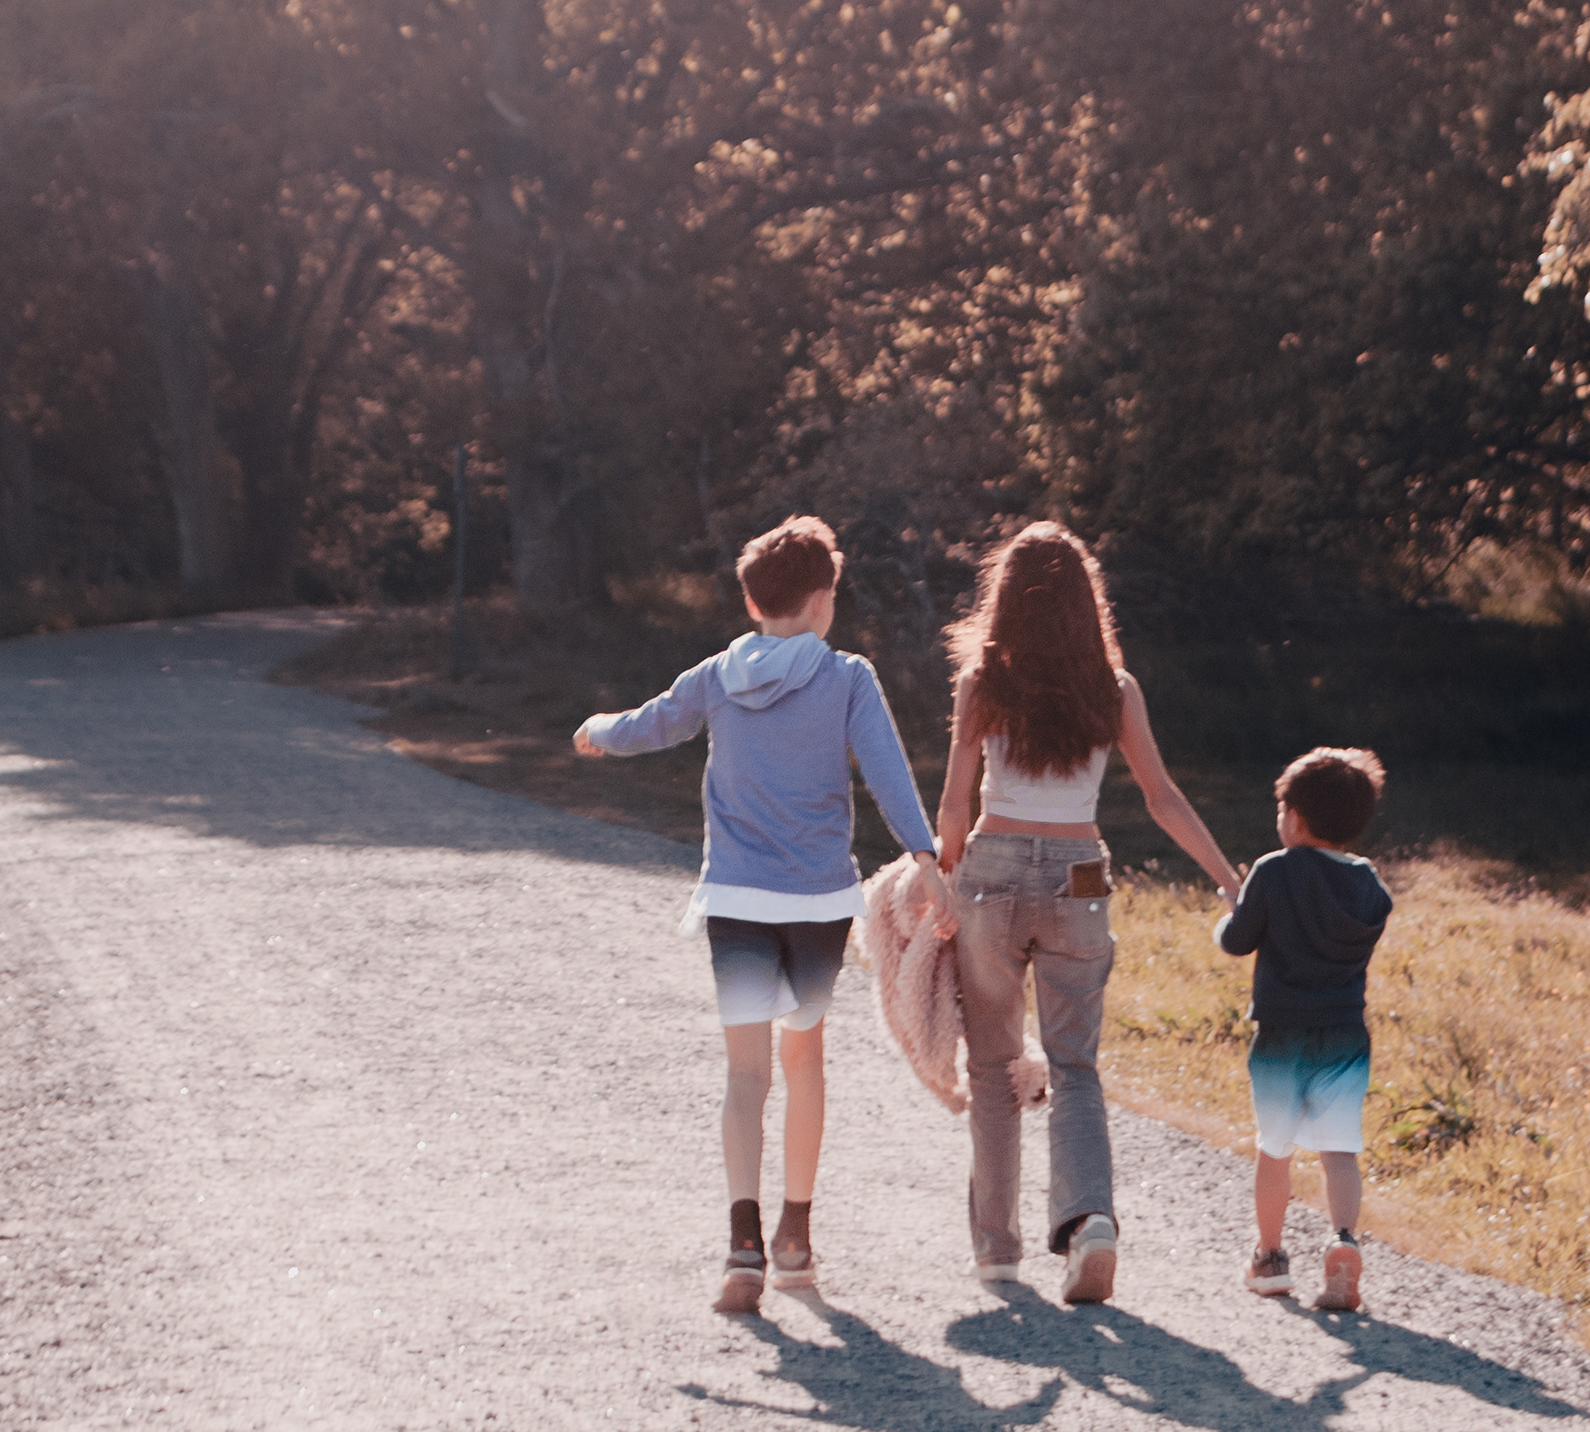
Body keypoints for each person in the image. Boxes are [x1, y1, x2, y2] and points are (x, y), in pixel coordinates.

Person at [577, 515, 949, 1313]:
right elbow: (887, 774)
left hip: (737, 901)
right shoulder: (848, 677)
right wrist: (927, 860)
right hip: (818, 902)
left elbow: (651, 724)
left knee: (744, 1074)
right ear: (823, 600)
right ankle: (795, 1238)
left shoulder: (718, 674)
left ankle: (741, 1247)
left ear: (751, 600)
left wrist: (599, 730)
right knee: (803, 1061)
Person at [933, 524, 1242, 1303]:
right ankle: (1090, 1222)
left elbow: (953, 803)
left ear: (1003, 599)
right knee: (1074, 1066)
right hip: (1078, 873)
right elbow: (1161, 797)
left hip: (993, 868)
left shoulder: (982, 683)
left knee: (994, 1068)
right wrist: (1228, 876)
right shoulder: (1114, 690)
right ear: (1086, 605)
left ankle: (998, 1253)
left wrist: (938, 881)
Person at [1217, 746, 1395, 1314]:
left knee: (1275, 1149)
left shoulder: (1273, 870)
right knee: (1340, 1149)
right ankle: (1343, 1241)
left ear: (1293, 817)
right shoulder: (1368, 884)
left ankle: (1270, 1258)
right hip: (1344, 1035)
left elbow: (1237, 940)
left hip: (1281, 1037)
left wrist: (1233, 910)